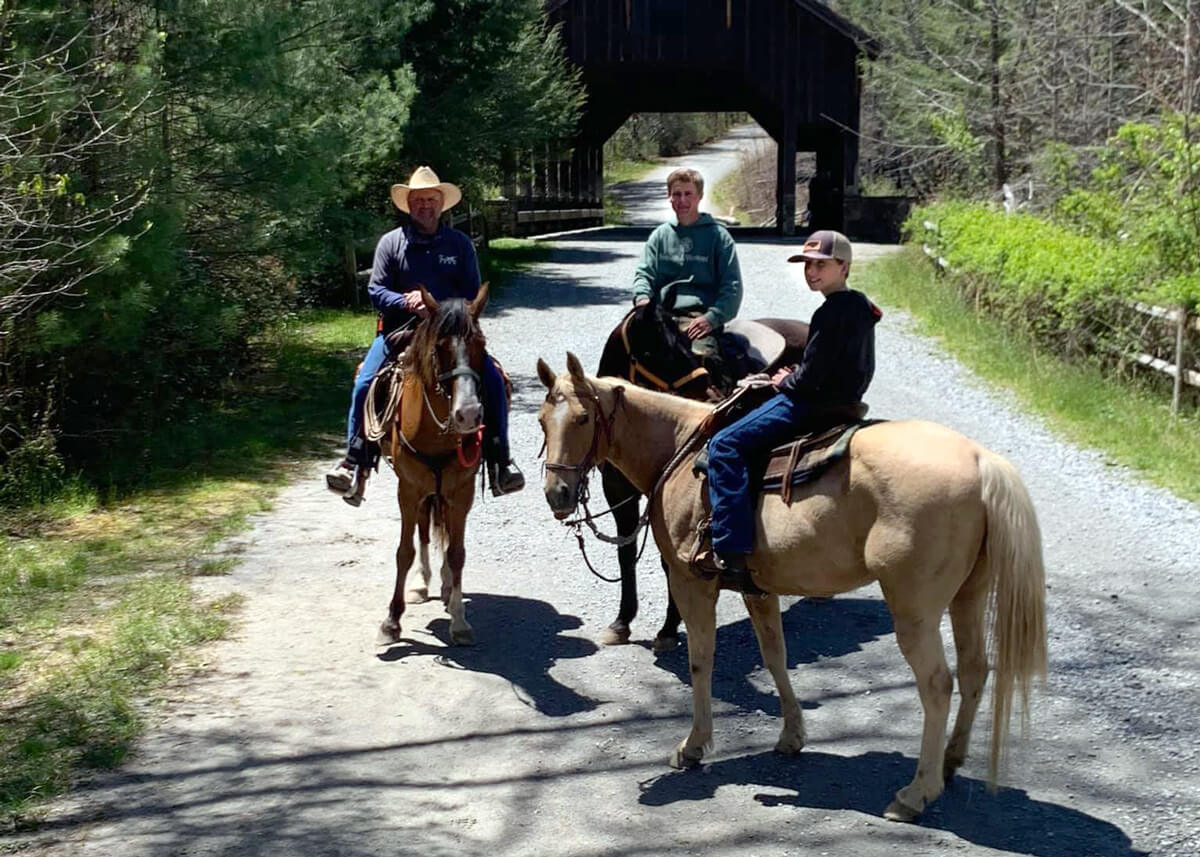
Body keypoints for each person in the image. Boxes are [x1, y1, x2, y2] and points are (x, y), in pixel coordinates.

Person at [325, 166, 524, 505]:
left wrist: (439, 306)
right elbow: (376, 290)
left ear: (441, 203)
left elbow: (472, 293)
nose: (425, 206)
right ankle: (354, 462)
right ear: (409, 205)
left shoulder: (459, 244)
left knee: (492, 380)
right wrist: (405, 301)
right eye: (418, 200)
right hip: (399, 332)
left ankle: (500, 461)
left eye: (431, 199)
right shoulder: (391, 243)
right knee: (364, 384)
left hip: (449, 334)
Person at [705, 230, 881, 595]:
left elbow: (811, 377)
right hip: (847, 402)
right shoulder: (861, 307)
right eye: (807, 265)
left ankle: (732, 551)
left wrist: (784, 379)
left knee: (724, 444)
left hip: (811, 405)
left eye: (821, 264)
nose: (811, 272)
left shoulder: (831, 311)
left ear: (843, 266)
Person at [632, 167, 742, 368]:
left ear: (699, 196)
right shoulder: (660, 235)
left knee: (702, 362)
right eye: (676, 194)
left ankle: (713, 396)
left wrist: (712, 318)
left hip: (697, 318)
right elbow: (644, 274)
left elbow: (732, 288)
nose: (682, 200)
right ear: (669, 197)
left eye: (688, 194)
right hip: (660, 315)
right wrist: (642, 298)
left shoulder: (719, 237)